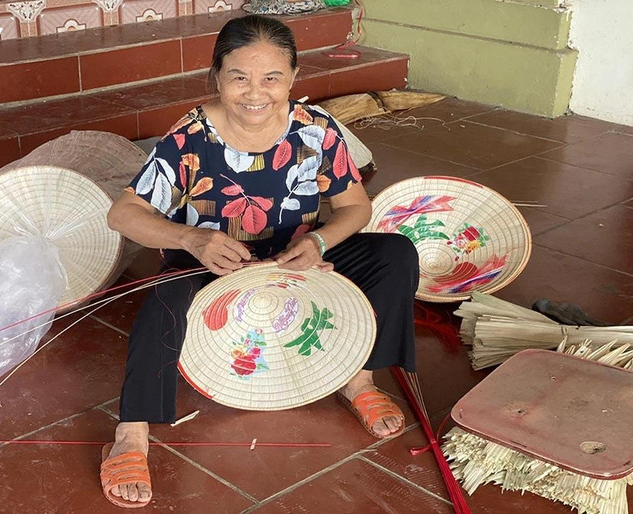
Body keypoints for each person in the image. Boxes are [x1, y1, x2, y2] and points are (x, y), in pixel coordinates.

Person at [102, 14, 418, 508]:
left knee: (395, 254)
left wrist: (320, 244)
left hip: (297, 261)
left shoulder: (315, 132)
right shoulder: (192, 138)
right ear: (216, 78)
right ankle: (132, 432)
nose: (256, 93)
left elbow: (356, 207)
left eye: (272, 78)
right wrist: (192, 238)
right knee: (165, 296)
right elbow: (123, 214)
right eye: (239, 77)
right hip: (216, 264)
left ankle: (358, 379)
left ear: (293, 79)